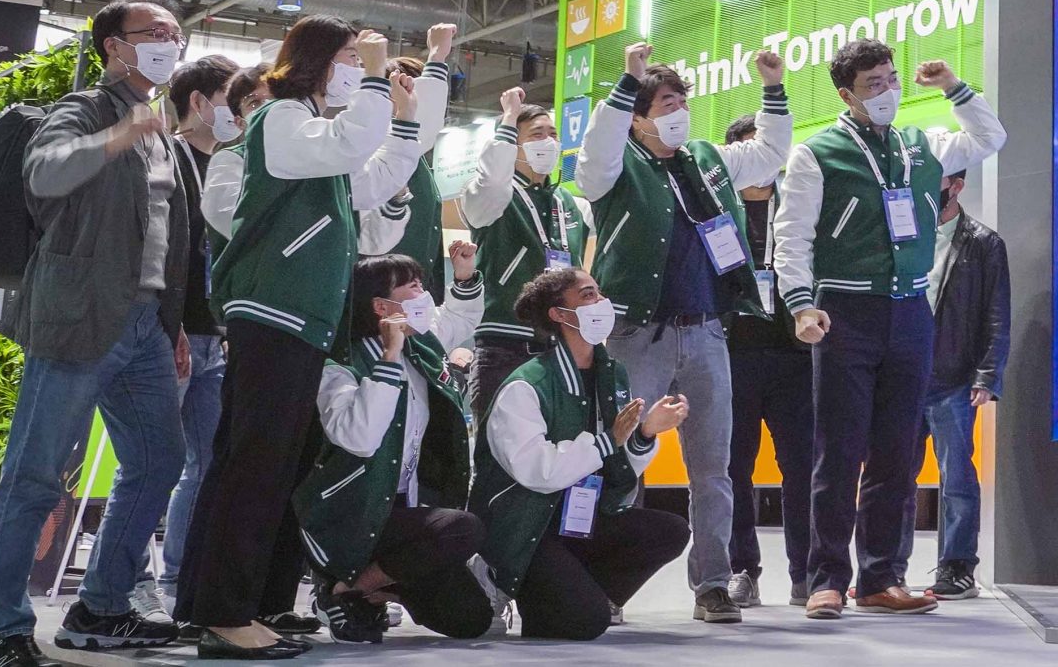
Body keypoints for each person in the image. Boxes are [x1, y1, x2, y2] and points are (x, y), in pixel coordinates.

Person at [179, 19, 412, 660]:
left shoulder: (311, 137)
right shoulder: (281, 119)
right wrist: (375, 80)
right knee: (255, 466)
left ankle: (219, 605)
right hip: (274, 312)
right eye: (348, 57)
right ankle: (226, 615)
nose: (356, 67)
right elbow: (349, 145)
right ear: (318, 60)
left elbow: (370, 178)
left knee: (257, 465)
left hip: (297, 317)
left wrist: (406, 121)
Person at [0, 1, 193, 667]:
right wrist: (117, 136)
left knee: (159, 460)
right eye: (154, 34)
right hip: (77, 315)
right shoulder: (87, 108)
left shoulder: (159, 128)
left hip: (146, 322)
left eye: (175, 34)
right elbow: (45, 172)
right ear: (113, 46)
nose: (168, 43)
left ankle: (100, 606)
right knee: (36, 474)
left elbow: (166, 237)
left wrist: (174, 322)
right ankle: (2, 631)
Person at [773, 45, 1004, 619]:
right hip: (843, 312)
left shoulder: (921, 145)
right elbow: (792, 236)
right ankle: (826, 580)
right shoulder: (816, 153)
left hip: (910, 313)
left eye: (892, 79)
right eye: (873, 84)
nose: (887, 91)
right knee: (839, 451)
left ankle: (880, 579)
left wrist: (952, 86)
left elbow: (989, 136)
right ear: (846, 94)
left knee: (897, 455)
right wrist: (801, 305)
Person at [576, 39, 790, 624]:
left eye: (682, 102)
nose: (679, 112)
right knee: (620, 461)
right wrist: (627, 81)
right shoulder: (614, 167)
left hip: (707, 334)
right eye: (665, 104)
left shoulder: (708, 158)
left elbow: (770, 153)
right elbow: (593, 154)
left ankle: (713, 584)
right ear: (638, 118)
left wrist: (773, 89)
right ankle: (605, 583)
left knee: (714, 470)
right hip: (636, 334)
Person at [471, 263, 691, 640]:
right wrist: (608, 441)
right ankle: (495, 577)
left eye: (599, 292)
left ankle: (567, 593)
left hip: (577, 518)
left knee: (669, 531)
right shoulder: (526, 385)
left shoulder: (611, 373)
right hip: (526, 526)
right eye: (588, 295)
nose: (601, 301)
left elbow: (615, 464)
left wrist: (646, 433)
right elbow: (539, 472)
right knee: (586, 622)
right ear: (559, 314)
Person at [298, 250, 492, 644]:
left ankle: (367, 590)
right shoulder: (340, 365)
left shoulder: (421, 349)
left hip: (406, 511)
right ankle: (342, 587)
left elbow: (456, 319)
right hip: (355, 515)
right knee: (463, 528)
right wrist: (388, 359)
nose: (424, 296)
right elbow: (361, 437)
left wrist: (464, 277)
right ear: (380, 307)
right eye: (413, 287)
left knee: (471, 619)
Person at [144, 52, 239, 625]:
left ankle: (181, 584)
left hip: (216, 337)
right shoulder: (167, 158)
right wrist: (169, 320)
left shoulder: (233, 165)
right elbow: (159, 247)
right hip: (168, 333)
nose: (242, 113)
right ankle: (129, 587)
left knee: (204, 468)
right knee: (152, 464)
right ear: (199, 102)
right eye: (233, 100)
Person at [888, 167, 1009, 600]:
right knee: (893, 477)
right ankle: (886, 571)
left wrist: (987, 375)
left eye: (934, 182)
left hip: (952, 377)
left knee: (956, 475)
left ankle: (957, 567)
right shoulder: (900, 234)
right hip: (901, 375)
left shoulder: (983, 242)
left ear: (956, 187)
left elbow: (997, 314)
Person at [720, 115, 812, 610]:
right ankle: (742, 570)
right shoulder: (716, 210)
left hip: (794, 357)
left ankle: (808, 573)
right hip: (732, 355)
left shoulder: (797, 206)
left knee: (802, 467)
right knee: (734, 469)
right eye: (748, 151)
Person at [459, 86, 588, 417]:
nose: (548, 142)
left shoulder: (569, 203)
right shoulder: (490, 198)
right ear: (512, 147)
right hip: (504, 343)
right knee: (496, 443)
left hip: (561, 344)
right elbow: (492, 181)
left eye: (553, 134)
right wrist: (508, 117)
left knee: (559, 440)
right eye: (536, 134)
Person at [356, 29, 461, 296]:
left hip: (414, 294)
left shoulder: (417, 159)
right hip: (377, 291)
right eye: (407, 91)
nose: (413, 101)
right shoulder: (372, 149)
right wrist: (437, 56)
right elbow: (423, 121)